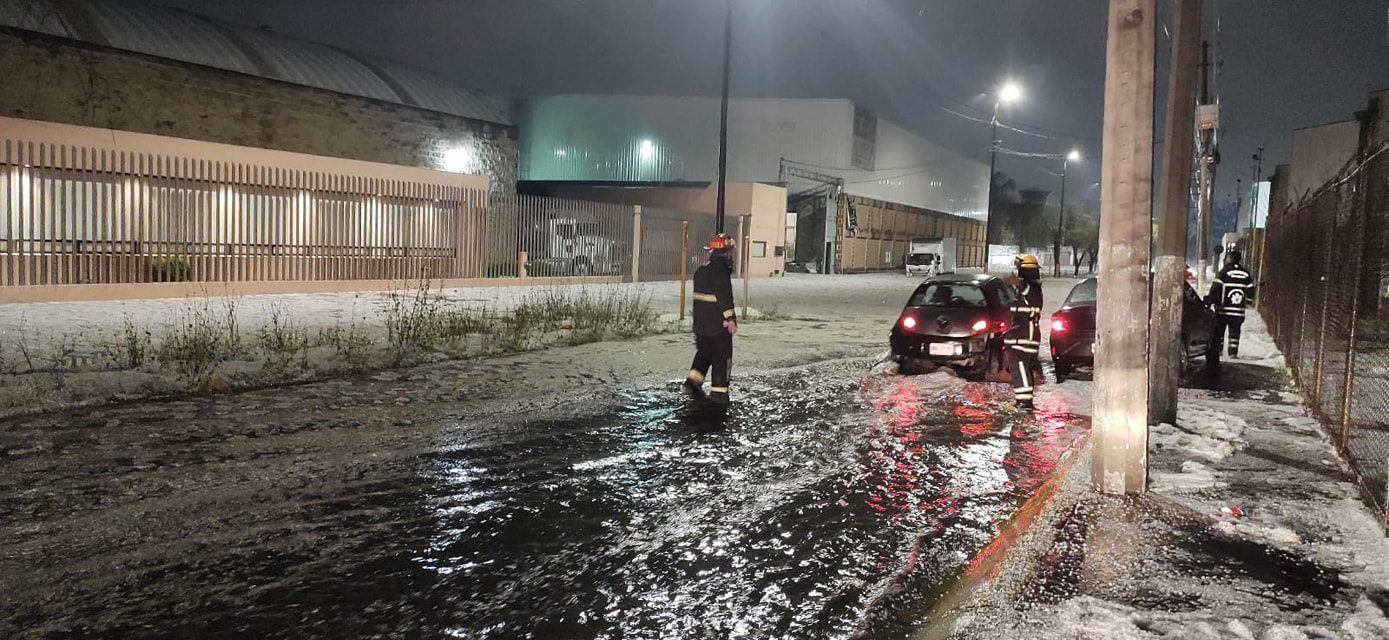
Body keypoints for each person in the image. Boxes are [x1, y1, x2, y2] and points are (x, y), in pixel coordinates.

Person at [684, 233, 738, 404]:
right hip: (717, 326)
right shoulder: (720, 271)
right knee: (721, 357)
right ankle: (719, 393)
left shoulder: (702, 270)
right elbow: (724, 296)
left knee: (704, 353)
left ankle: (692, 384)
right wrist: (730, 319)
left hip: (701, 326)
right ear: (727, 252)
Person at [1004, 255, 1044, 410]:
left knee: (1020, 367)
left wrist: (1015, 281)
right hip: (1026, 335)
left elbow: (1023, 287)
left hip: (1024, 336)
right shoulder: (1033, 289)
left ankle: (1024, 403)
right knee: (1022, 368)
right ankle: (1024, 401)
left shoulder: (1030, 288)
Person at [1206, 249, 1255, 363]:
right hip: (1238, 310)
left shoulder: (1223, 272)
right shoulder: (1246, 273)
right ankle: (1233, 353)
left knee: (1219, 331)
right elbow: (1251, 290)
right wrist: (1248, 302)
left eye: (1227, 257)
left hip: (1223, 310)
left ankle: (1219, 351)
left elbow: (1215, 289)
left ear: (1230, 258)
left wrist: (1210, 300)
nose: (1225, 259)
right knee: (1235, 332)